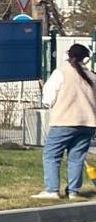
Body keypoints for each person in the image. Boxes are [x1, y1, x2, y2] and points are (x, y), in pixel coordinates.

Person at [31, 43, 96, 200]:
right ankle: (73, 191)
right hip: (88, 123)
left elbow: (48, 98)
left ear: (68, 56)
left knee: (51, 155)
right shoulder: (93, 76)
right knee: (77, 157)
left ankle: (52, 190)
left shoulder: (61, 73)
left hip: (64, 121)